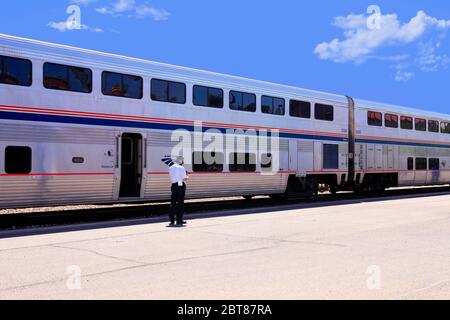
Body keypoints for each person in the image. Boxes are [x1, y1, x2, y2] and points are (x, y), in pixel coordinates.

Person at [168, 156, 189, 227]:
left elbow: (171, 177)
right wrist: (187, 176)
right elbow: (184, 178)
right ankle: (179, 220)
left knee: (173, 202)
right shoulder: (181, 167)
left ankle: (172, 220)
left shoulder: (171, 167)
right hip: (180, 186)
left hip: (173, 186)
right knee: (180, 203)